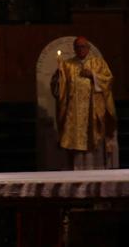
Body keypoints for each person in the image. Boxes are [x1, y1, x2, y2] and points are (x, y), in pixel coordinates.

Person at [50, 36, 118, 170]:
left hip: (93, 110)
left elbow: (108, 81)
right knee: (75, 143)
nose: (80, 49)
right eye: (77, 47)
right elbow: (58, 89)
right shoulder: (67, 65)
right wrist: (58, 78)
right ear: (74, 49)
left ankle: (96, 171)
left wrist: (93, 75)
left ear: (88, 48)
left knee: (94, 138)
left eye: (83, 47)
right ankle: (77, 172)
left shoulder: (98, 63)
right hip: (74, 113)